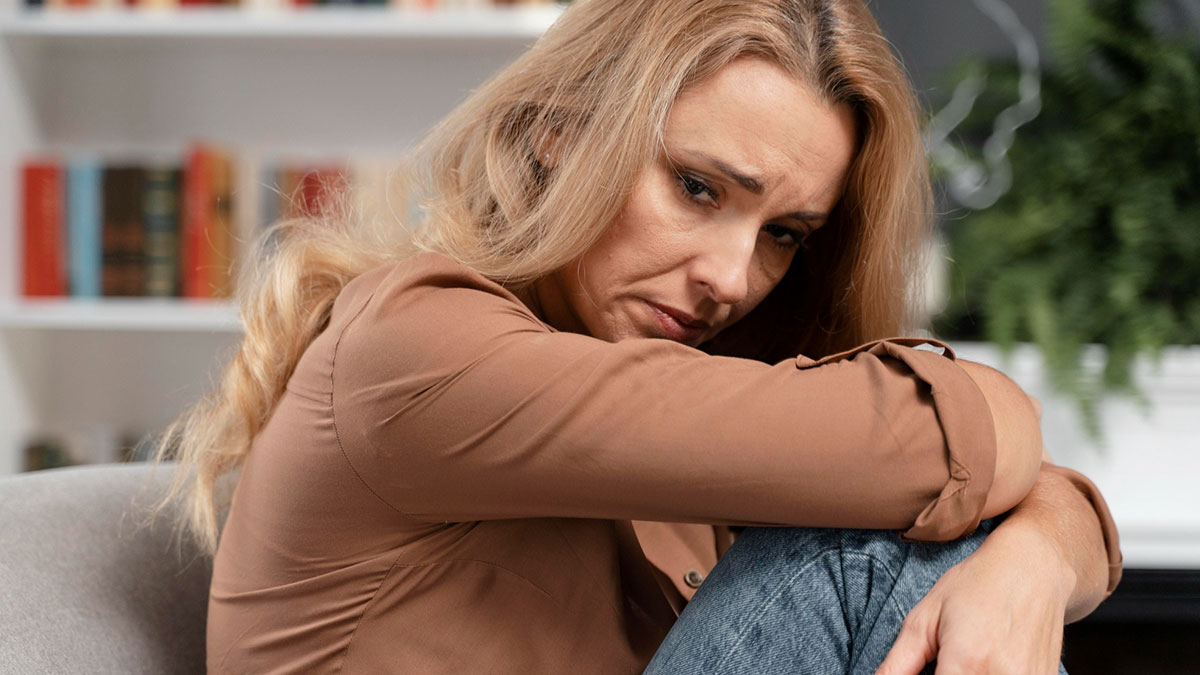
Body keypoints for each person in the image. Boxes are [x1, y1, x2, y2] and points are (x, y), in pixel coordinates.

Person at [157, 0, 1122, 673]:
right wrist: (1004, 453)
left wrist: (1031, 557)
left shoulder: (671, 381)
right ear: (563, 130)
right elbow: (954, 441)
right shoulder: (419, 346)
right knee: (856, 553)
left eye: (784, 235)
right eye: (699, 188)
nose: (732, 277)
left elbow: (1019, 489)